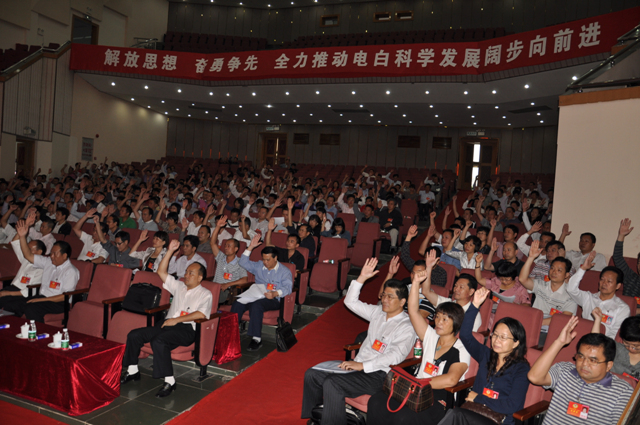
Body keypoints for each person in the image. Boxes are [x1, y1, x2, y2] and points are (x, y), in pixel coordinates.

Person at [301, 258, 415, 425]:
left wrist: (363, 365)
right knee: (312, 374)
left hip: (379, 374)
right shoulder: (377, 312)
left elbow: (395, 356)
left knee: (333, 383)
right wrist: (361, 278)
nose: (384, 299)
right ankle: (316, 417)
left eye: (390, 297)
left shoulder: (407, 326)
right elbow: (350, 302)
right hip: (358, 367)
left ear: (403, 302)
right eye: (384, 295)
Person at [367, 270, 470, 425]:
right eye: (437, 317)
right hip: (415, 389)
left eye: (445, 319)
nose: (438, 322)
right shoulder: (431, 336)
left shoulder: (461, 348)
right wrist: (415, 283)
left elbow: (451, 379)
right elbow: (413, 311)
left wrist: (420, 383)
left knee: (404, 417)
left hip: (438, 398)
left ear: (455, 323)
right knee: (376, 401)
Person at [120, 239, 213, 398]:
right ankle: (132, 370)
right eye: (186, 272)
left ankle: (170, 381)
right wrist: (170, 251)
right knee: (134, 335)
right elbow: (161, 272)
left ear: (200, 277)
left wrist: (176, 320)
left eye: (191, 273)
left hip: (187, 329)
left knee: (159, 341)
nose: (186, 275)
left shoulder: (205, 293)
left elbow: (201, 314)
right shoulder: (179, 286)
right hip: (167, 324)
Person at [438, 287, 530, 425]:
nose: (496, 340)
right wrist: (475, 305)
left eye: (503, 337)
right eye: (495, 335)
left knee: (456, 414)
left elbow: (512, 405)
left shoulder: (521, 368)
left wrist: (479, 398)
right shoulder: (486, 355)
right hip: (475, 412)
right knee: (455, 414)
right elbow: (465, 335)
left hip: (498, 420)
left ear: (516, 343)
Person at [528, 316, 634, 425]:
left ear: (609, 365)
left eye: (593, 360)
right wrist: (559, 342)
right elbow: (534, 377)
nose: (584, 364)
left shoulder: (622, 392)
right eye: (581, 357)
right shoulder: (565, 370)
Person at [1, 220, 79, 322]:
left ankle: (37, 330)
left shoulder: (71, 271)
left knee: (32, 308)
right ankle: (12, 326)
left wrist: (40, 299)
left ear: (64, 256)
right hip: (43, 297)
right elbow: (28, 255)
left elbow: (64, 297)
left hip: (59, 302)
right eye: (51, 253)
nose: (51, 256)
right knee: (13, 305)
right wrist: (22, 236)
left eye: (55, 254)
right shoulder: (48, 262)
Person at [231, 234, 293, 351]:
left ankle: (256, 339)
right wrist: (250, 247)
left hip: (273, 299)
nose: (265, 262)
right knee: (237, 303)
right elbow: (242, 263)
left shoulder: (284, 271)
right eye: (263, 259)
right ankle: (231, 334)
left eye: (268, 260)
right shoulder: (259, 265)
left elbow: (288, 288)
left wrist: (275, 293)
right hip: (256, 295)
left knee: (256, 305)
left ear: (275, 258)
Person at [566, 251, 630, 339]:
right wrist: (583, 268)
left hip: (604, 342)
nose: (604, 283)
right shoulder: (588, 298)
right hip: (582, 337)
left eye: (609, 281)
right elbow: (570, 289)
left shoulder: (622, 308)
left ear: (618, 286)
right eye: (602, 279)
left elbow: (615, 334)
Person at [421, 250, 483, 331]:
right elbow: (426, 292)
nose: (456, 289)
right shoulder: (448, 303)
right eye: (455, 286)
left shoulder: (473, 314)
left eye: (461, 287)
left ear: (471, 291)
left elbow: (470, 336)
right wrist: (429, 267)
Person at [591, 310, 640, 382]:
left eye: (636, 346)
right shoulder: (617, 348)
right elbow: (595, 343)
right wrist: (597, 320)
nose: (630, 348)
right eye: (626, 343)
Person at [0, 233, 45, 309]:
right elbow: (15, 242)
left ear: (39, 252)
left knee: (4, 302)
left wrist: (7, 293)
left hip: (21, 295)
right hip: (12, 288)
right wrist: (20, 233)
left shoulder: (42, 269)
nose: (26, 250)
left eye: (29, 249)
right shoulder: (26, 259)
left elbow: (30, 291)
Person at [210, 216, 248, 304]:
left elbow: (245, 280)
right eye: (225, 245)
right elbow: (212, 243)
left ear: (236, 249)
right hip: (215, 287)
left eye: (229, 246)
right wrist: (218, 227)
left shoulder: (240, 262)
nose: (226, 248)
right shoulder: (221, 257)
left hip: (227, 291)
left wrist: (227, 284)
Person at [613, 218, 640, 297]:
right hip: (625, 304)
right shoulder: (631, 277)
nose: (639, 266)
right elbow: (617, 257)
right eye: (639, 263)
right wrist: (621, 235)